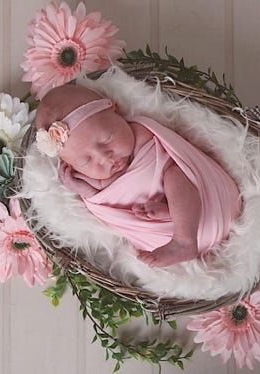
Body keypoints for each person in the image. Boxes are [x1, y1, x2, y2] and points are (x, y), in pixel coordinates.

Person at [35, 84, 241, 268]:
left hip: (211, 204)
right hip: (163, 234)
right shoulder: (93, 177)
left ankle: (184, 239)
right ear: (70, 165)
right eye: (86, 160)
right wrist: (82, 188)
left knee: (175, 174)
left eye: (107, 139)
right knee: (151, 206)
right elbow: (103, 201)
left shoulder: (142, 134)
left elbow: (172, 159)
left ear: (116, 111)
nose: (104, 158)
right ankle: (171, 214)